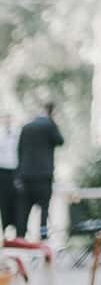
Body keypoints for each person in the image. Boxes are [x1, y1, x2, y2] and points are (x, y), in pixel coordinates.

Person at [16, 101, 63, 238]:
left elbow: (19, 150)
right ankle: (43, 233)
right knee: (44, 205)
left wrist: (19, 173)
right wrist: (54, 123)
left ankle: (21, 235)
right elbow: (60, 141)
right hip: (43, 175)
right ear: (51, 112)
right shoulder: (49, 125)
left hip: (26, 174)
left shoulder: (26, 127)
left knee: (24, 207)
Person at [0, 112, 19, 235]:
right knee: (3, 200)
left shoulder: (17, 133)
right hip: (2, 170)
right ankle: (5, 228)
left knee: (15, 199)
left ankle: (15, 227)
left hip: (14, 171)